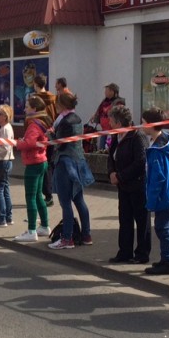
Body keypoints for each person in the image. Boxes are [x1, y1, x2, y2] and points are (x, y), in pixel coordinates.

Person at [107, 104, 150, 263]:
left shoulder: (137, 136)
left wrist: (120, 176)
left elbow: (140, 162)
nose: (109, 124)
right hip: (123, 186)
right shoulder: (116, 136)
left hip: (137, 185)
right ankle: (124, 252)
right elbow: (111, 156)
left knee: (141, 221)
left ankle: (142, 254)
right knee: (125, 220)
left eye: (111, 121)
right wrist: (112, 172)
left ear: (119, 123)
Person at [141, 108, 169, 275]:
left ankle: (167, 262)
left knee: (161, 228)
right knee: (167, 227)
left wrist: (151, 200)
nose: (141, 126)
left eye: (143, 122)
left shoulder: (157, 149)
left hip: (163, 194)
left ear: (151, 125)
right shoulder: (164, 141)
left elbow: (158, 177)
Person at [48, 91, 92, 249]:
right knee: (79, 200)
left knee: (65, 202)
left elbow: (60, 144)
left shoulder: (65, 121)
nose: (55, 106)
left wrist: (50, 135)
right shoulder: (78, 118)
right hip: (79, 162)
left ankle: (67, 239)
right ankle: (86, 235)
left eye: (57, 103)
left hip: (65, 163)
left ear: (62, 105)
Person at [13, 95, 51, 242]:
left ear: (34, 109)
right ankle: (45, 226)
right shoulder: (43, 122)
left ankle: (31, 231)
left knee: (30, 197)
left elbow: (29, 143)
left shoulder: (33, 125)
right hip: (41, 161)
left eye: (27, 106)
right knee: (38, 196)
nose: (24, 109)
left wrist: (18, 143)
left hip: (33, 163)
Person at [32, 75, 57, 207]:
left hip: (40, 134)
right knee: (48, 164)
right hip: (51, 132)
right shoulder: (53, 98)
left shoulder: (35, 99)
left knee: (40, 164)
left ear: (36, 84)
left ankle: (46, 194)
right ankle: (47, 193)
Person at [86, 83, 125, 153]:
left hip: (113, 131)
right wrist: (94, 116)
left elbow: (118, 114)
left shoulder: (118, 102)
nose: (105, 92)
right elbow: (99, 110)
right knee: (101, 149)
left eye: (107, 91)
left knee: (110, 149)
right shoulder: (104, 101)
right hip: (104, 130)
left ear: (112, 92)